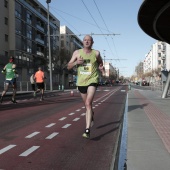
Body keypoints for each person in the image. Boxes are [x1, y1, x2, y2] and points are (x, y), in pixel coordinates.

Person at [67, 35, 105, 139]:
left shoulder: (96, 53)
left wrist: (101, 67)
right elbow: (68, 66)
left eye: (89, 40)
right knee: (87, 105)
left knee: (88, 103)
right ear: (83, 42)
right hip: (81, 82)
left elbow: (100, 62)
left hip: (92, 80)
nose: (87, 42)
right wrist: (76, 62)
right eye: (85, 40)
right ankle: (91, 113)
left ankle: (87, 130)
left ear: (92, 42)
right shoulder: (77, 53)